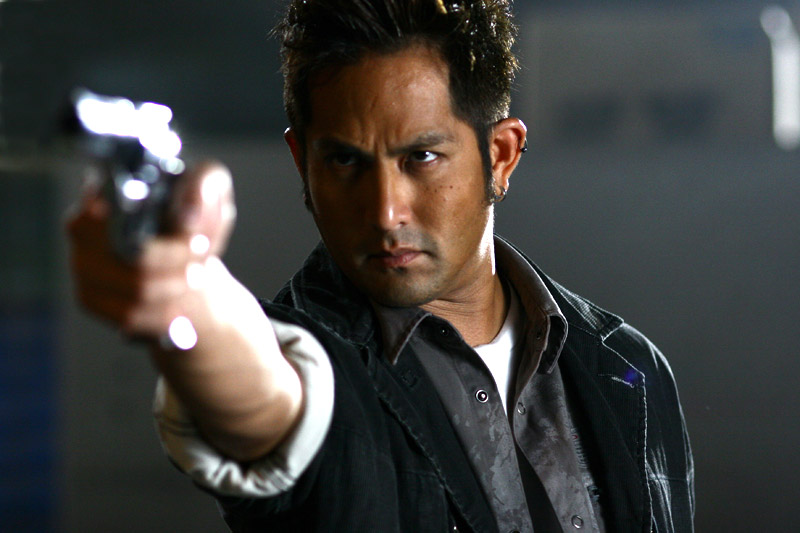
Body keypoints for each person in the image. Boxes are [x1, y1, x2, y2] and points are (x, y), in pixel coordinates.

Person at [67, 0, 694, 531]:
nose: (385, 211)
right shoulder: (310, 358)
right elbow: (273, 399)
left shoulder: (628, 366)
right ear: (303, 164)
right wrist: (195, 306)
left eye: (421, 157)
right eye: (345, 162)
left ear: (500, 156)